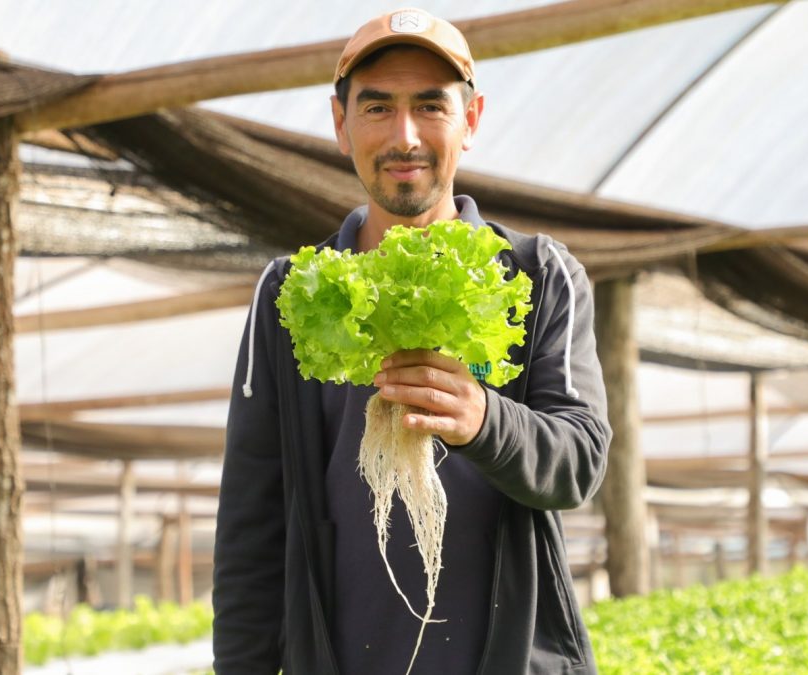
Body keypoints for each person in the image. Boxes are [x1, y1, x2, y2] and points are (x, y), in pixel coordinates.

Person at [213, 8, 611, 674]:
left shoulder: (543, 276)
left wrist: (486, 420)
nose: (405, 136)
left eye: (431, 106)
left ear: (472, 120)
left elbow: (581, 457)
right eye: (377, 108)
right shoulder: (290, 292)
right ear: (340, 124)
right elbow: (251, 528)